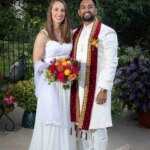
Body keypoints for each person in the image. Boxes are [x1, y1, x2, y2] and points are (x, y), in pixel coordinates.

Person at [70, 0, 118, 149]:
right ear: (78, 11)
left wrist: (104, 88)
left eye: (90, 7)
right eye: (83, 7)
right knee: (82, 128)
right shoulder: (75, 33)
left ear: (96, 10)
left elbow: (111, 62)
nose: (86, 10)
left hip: (97, 87)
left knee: (97, 127)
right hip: (78, 88)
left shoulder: (106, 32)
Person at [29, 0, 76, 150]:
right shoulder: (43, 35)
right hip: (50, 85)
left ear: (65, 14)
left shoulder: (69, 33)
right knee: (52, 120)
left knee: (66, 118)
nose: (59, 13)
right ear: (50, 12)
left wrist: (69, 70)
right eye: (56, 9)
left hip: (66, 84)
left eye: (62, 10)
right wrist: (54, 71)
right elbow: (37, 61)